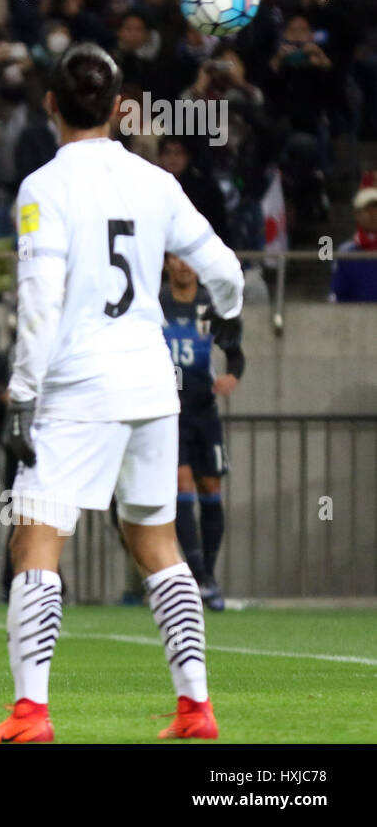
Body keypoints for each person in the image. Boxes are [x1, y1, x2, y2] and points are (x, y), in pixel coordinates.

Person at [0, 43, 244, 744]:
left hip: (77, 387)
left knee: (36, 541)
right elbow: (224, 269)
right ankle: (196, 707)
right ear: (121, 108)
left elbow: (39, 299)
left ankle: (31, 714)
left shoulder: (44, 186)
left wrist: (23, 391)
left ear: (52, 105)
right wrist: (231, 322)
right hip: (152, 385)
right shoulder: (154, 182)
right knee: (158, 541)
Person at [161, 254, 245, 611]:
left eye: (189, 259)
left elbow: (235, 353)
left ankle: (208, 574)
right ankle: (197, 575)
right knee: (183, 485)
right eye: (176, 259)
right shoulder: (154, 304)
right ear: (166, 264)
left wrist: (232, 376)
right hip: (168, 410)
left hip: (203, 410)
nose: (183, 266)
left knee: (211, 487)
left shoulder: (211, 306)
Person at [329, 184, 377, 301]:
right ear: (357, 215)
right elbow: (337, 292)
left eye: (376, 209)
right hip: (355, 317)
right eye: (368, 210)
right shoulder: (346, 252)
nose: (373, 214)